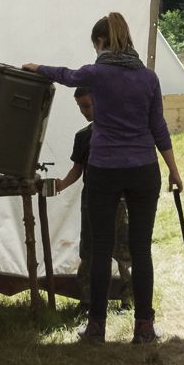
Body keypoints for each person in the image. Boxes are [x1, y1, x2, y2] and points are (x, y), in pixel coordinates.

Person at [25, 12, 182, 344]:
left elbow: (65, 75)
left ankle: (96, 327)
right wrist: (173, 169)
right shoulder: (148, 78)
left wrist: (37, 68)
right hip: (143, 169)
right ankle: (144, 327)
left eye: (95, 45)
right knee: (141, 249)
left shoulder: (96, 73)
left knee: (100, 247)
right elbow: (158, 127)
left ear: (100, 42)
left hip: (104, 170)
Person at [55, 88, 133, 311]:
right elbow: (77, 169)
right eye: (79, 107)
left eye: (87, 106)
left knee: (122, 249)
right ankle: (88, 300)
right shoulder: (82, 137)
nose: (83, 111)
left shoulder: (118, 132)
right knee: (89, 248)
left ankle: (128, 300)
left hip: (117, 200)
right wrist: (62, 184)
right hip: (90, 200)